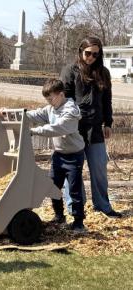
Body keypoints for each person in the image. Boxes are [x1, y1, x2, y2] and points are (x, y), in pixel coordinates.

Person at [1, 79, 86, 231]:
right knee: (52, 186)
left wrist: (33, 131)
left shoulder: (71, 111)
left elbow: (57, 128)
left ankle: (79, 221)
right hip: (58, 155)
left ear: (61, 94)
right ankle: (59, 217)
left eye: (51, 98)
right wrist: (10, 113)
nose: (49, 102)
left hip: (74, 156)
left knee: (74, 189)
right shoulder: (51, 109)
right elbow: (33, 115)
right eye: (47, 100)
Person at [60, 36, 122, 218]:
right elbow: (64, 100)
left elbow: (107, 100)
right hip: (74, 129)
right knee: (73, 171)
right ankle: (74, 208)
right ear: (81, 51)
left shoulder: (103, 72)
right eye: (88, 53)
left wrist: (108, 122)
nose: (91, 57)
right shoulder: (69, 71)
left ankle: (103, 205)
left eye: (96, 54)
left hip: (95, 129)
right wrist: (66, 124)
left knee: (99, 169)